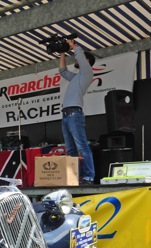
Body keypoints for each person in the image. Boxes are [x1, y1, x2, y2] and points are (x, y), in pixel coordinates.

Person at [58, 38, 96, 185]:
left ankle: (88, 177)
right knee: (71, 148)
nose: (75, 58)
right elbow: (63, 71)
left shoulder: (87, 73)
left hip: (74, 113)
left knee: (82, 146)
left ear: (85, 61)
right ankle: (74, 176)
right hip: (66, 114)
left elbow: (80, 56)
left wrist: (74, 46)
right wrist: (62, 54)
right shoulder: (76, 78)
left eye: (79, 58)